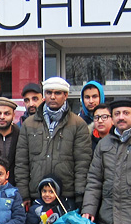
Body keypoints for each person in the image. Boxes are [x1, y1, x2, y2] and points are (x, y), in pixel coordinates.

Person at [14, 77, 91, 209]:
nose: (52, 97)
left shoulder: (78, 124)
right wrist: (24, 194)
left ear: (65, 95)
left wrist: (80, 195)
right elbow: (21, 162)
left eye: (57, 93)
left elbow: (82, 163)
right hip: (37, 195)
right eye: (49, 93)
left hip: (67, 195)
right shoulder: (29, 124)